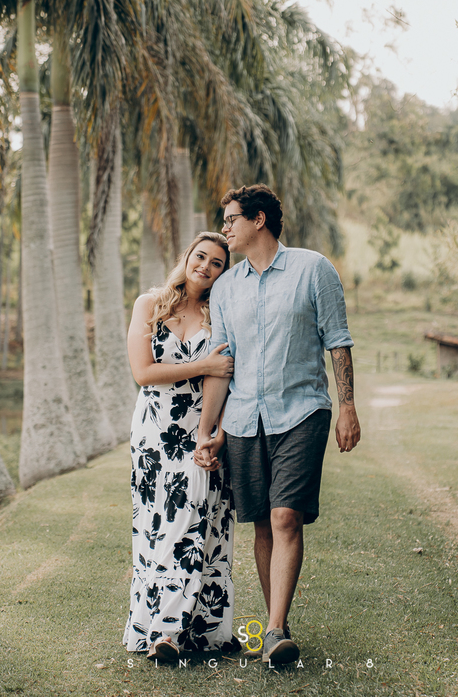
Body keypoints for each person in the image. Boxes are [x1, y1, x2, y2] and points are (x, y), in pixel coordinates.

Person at [194, 185, 361, 667]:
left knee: (287, 516)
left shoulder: (314, 269)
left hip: (302, 411)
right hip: (245, 419)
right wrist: (214, 429)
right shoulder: (226, 288)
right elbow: (223, 365)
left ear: (259, 219)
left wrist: (347, 406)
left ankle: (273, 628)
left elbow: (339, 342)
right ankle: (276, 628)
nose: (225, 228)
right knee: (263, 524)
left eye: (230, 219)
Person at [123, 231, 238, 663]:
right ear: (187, 256)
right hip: (153, 432)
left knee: (193, 520)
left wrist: (215, 432)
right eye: (201, 256)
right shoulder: (148, 304)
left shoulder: (220, 311)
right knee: (157, 525)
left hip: (200, 428)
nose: (205, 267)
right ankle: (156, 627)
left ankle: (179, 632)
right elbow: (143, 372)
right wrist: (203, 363)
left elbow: (228, 375)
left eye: (216, 264)